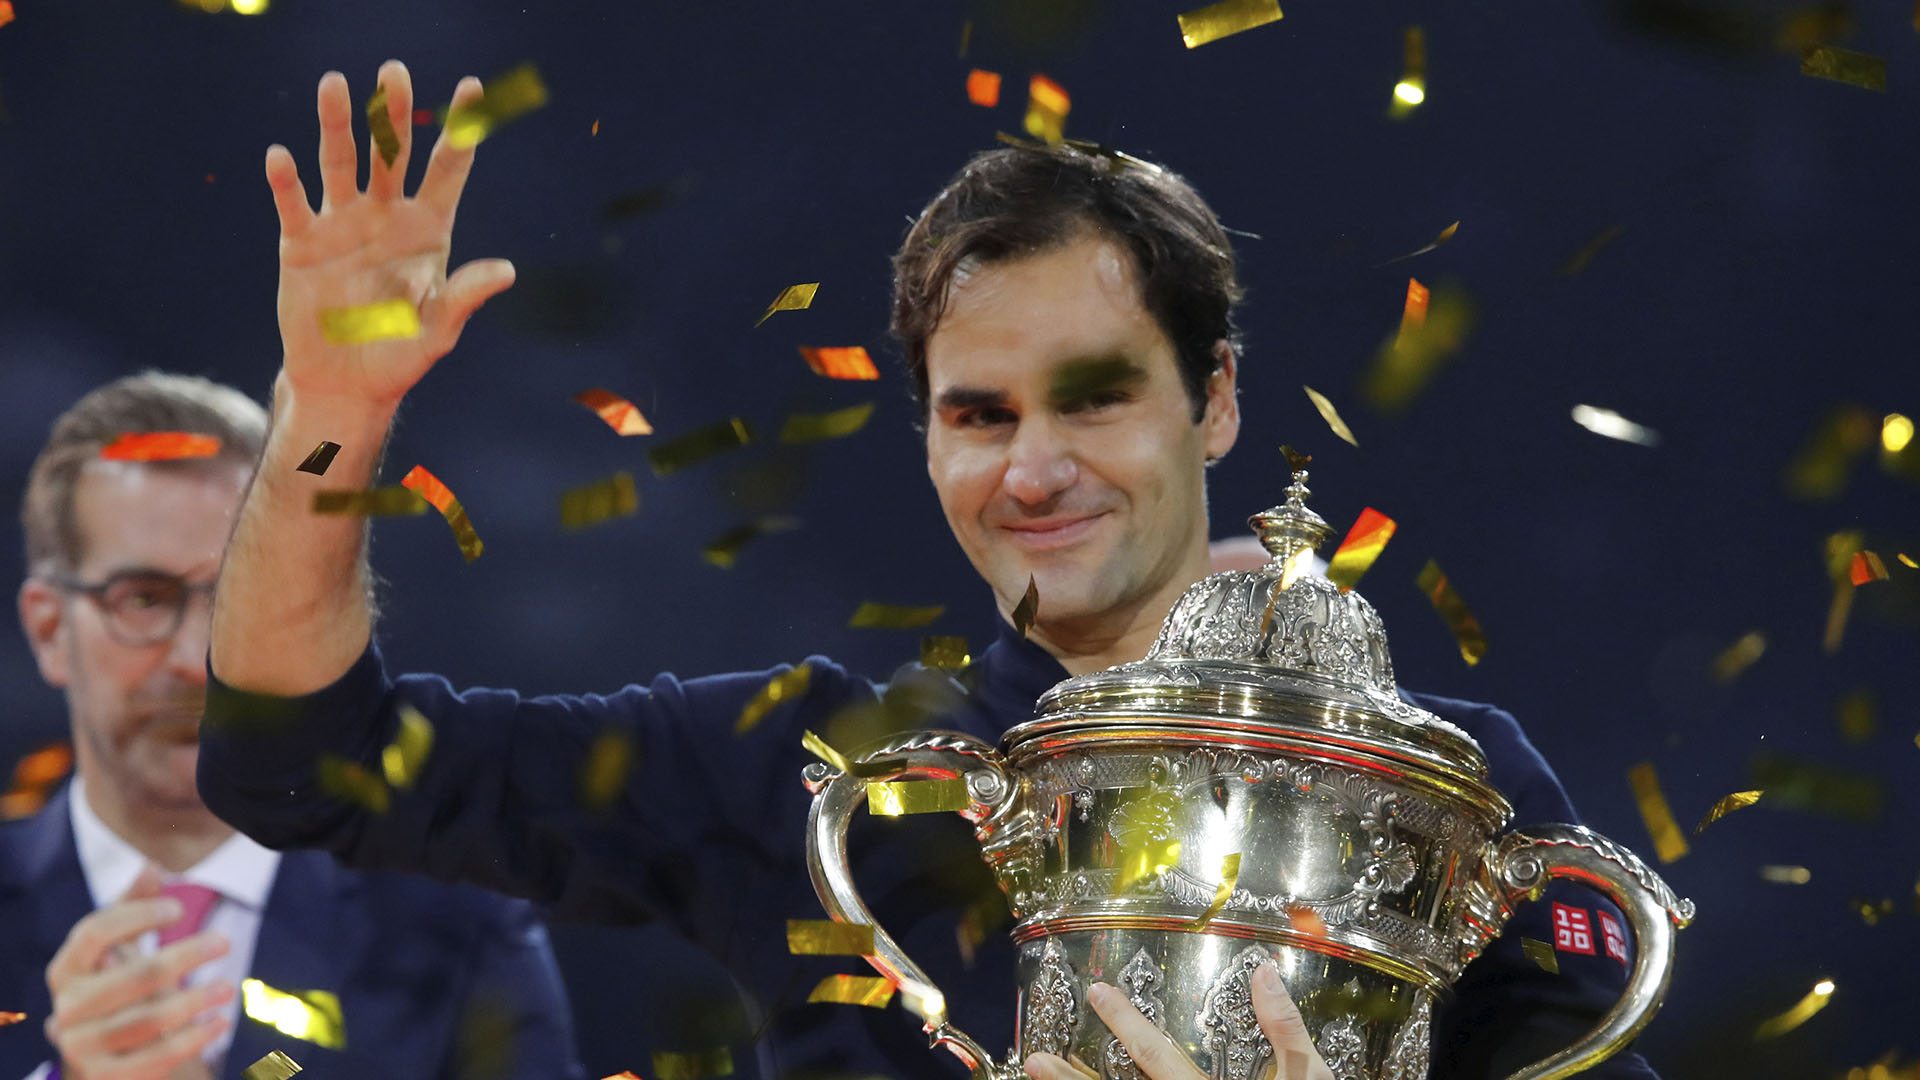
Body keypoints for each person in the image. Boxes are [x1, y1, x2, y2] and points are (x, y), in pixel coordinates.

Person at [196, 61, 1660, 1080]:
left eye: (1092, 399)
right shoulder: (810, 765)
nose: (1033, 469)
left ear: (1213, 399)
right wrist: (335, 414)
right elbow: (300, 763)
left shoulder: (1445, 785)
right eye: (980, 415)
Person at [2, 372, 583, 1080]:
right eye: (143, 599)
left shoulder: (456, 918)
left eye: (234, 597)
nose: (194, 661)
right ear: (49, 628)